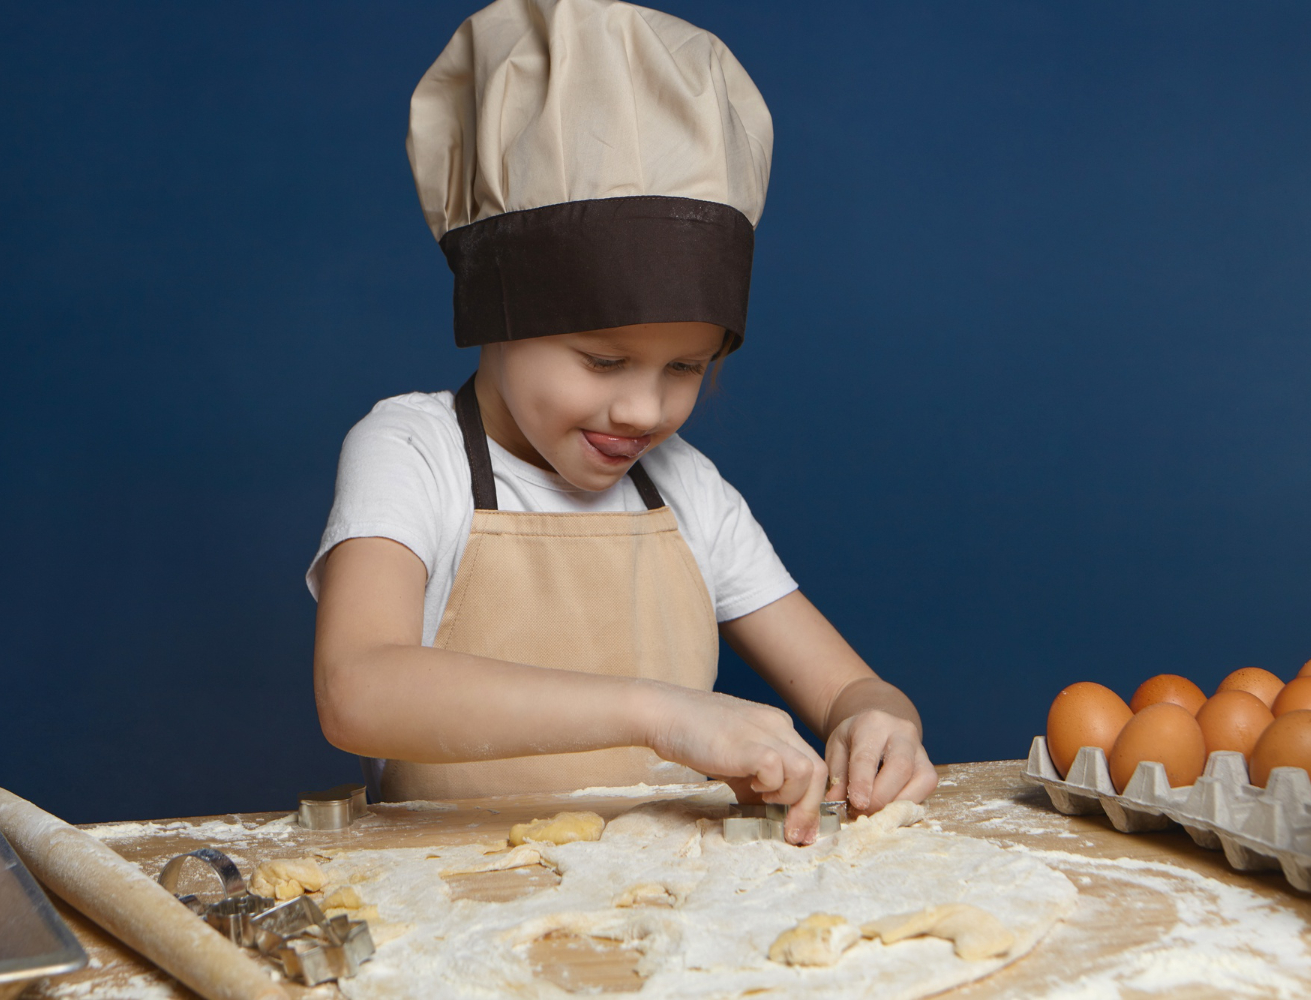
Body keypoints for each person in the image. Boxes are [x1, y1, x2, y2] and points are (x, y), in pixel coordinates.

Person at [309, 0, 936, 845]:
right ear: (496, 313)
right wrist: (660, 714)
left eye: (686, 368)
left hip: (662, 917)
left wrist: (880, 721)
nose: (645, 410)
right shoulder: (413, 453)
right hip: (455, 906)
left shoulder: (685, 491)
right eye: (603, 361)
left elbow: (851, 690)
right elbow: (358, 689)